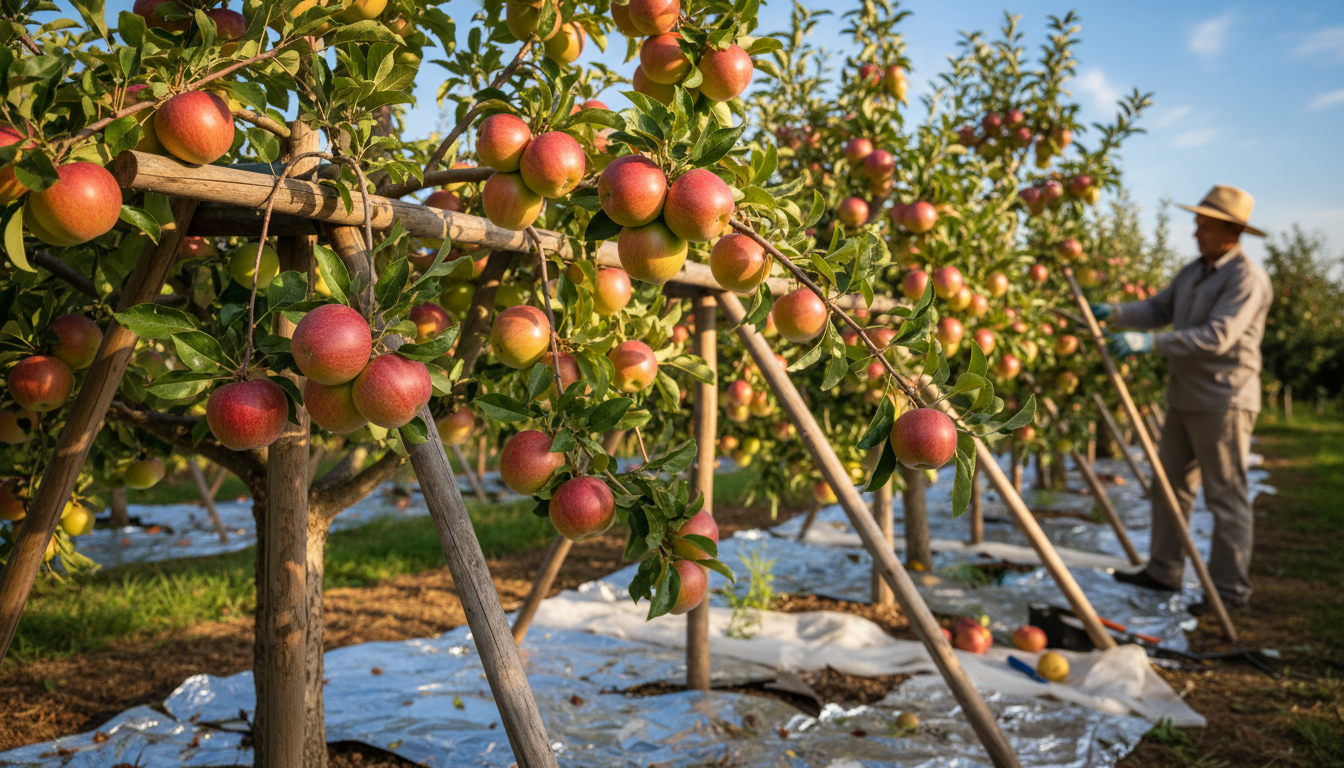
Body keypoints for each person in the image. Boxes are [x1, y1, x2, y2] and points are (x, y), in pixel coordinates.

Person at [1091, 185, 1272, 614]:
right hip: (1184, 397)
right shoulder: (1194, 271)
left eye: (1205, 226)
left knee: (1225, 495)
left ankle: (1229, 592)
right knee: (1169, 487)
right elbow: (1158, 309)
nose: (1196, 233)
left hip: (1223, 401)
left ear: (1231, 230)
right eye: (1197, 223)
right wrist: (1116, 313)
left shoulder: (1246, 277)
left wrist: (1148, 345)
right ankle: (1164, 570)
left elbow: (1218, 336)